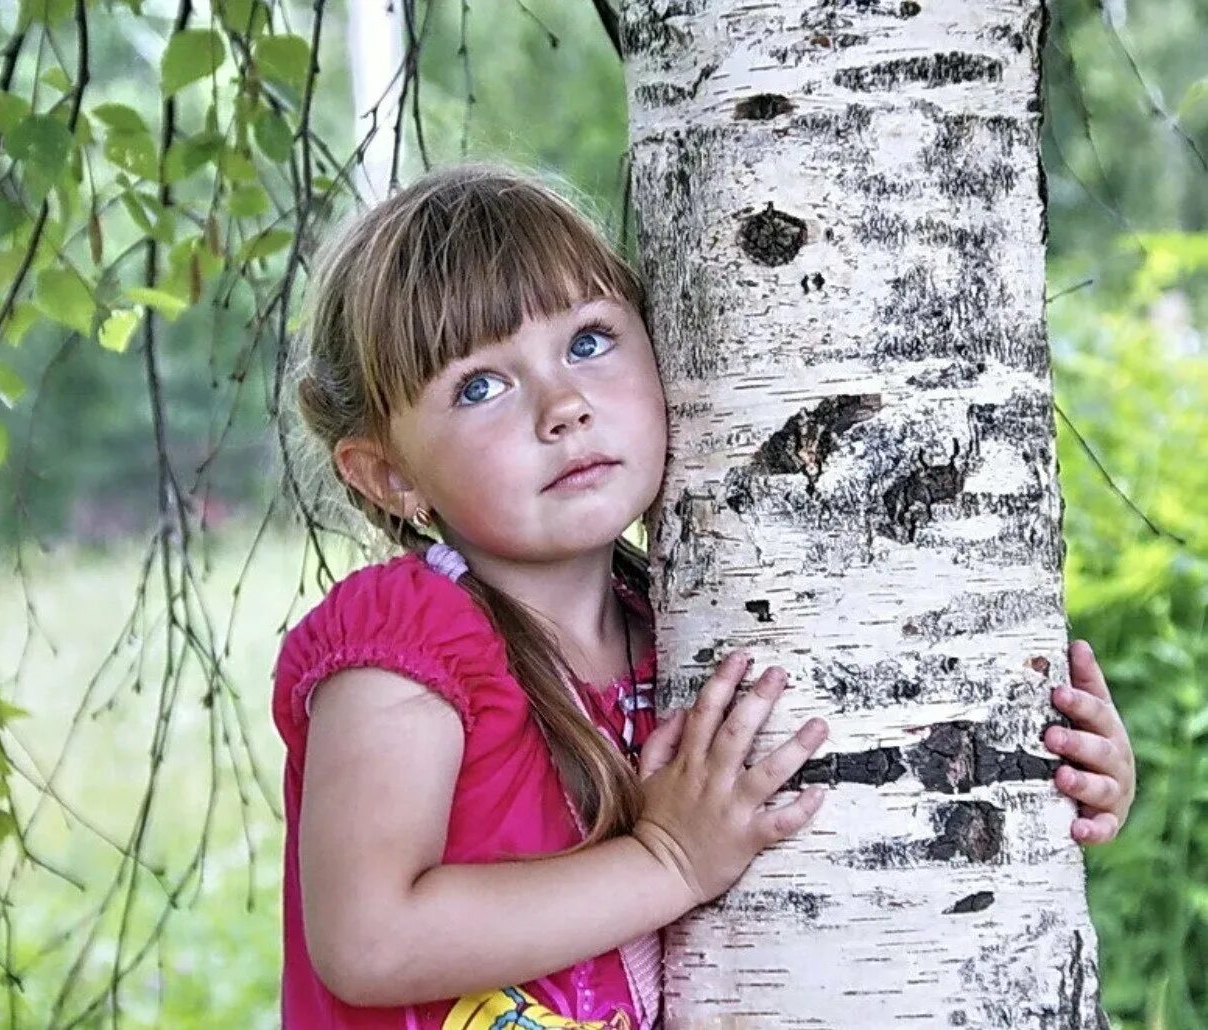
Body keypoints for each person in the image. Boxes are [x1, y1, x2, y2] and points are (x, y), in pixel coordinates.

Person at [272, 165, 1137, 1029]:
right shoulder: (405, 645)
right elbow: (369, 942)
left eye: (588, 341)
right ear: (388, 475)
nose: (564, 406)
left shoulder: (700, 618)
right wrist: (668, 861)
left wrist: (1033, 765)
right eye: (480, 386)